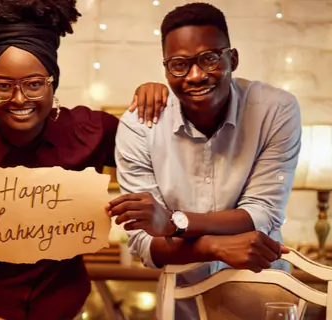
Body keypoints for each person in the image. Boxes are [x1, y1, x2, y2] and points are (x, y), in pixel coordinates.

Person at [0, 1, 168, 319]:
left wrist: (154, 99)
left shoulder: (91, 131)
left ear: (52, 81)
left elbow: (163, 155)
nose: (18, 99)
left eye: (34, 84)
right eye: (2, 87)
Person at [107, 2, 301, 318]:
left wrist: (172, 222)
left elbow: (262, 212)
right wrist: (212, 246)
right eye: (179, 64)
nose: (196, 75)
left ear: (233, 59)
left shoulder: (274, 110)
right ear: (166, 69)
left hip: (264, 299)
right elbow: (145, 243)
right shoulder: (139, 124)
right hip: (181, 306)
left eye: (209, 59)